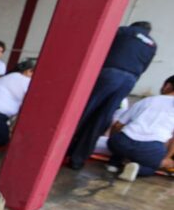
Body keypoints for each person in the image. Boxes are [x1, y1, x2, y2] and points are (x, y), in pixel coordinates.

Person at [66, 21, 157, 170]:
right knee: (102, 118)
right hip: (129, 81)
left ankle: (61, 149)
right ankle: (77, 160)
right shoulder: (152, 45)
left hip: (109, 73)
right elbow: (144, 68)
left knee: (83, 111)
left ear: (134, 25)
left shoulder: (123, 31)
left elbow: (101, 48)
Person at [107, 75, 174, 181]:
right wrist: (166, 159)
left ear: (168, 86)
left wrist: (112, 142)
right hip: (150, 149)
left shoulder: (147, 100)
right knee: (152, 167)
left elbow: (117, 125)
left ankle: (114, 162)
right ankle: (137, 169)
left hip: (122, 141)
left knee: (122, 147)